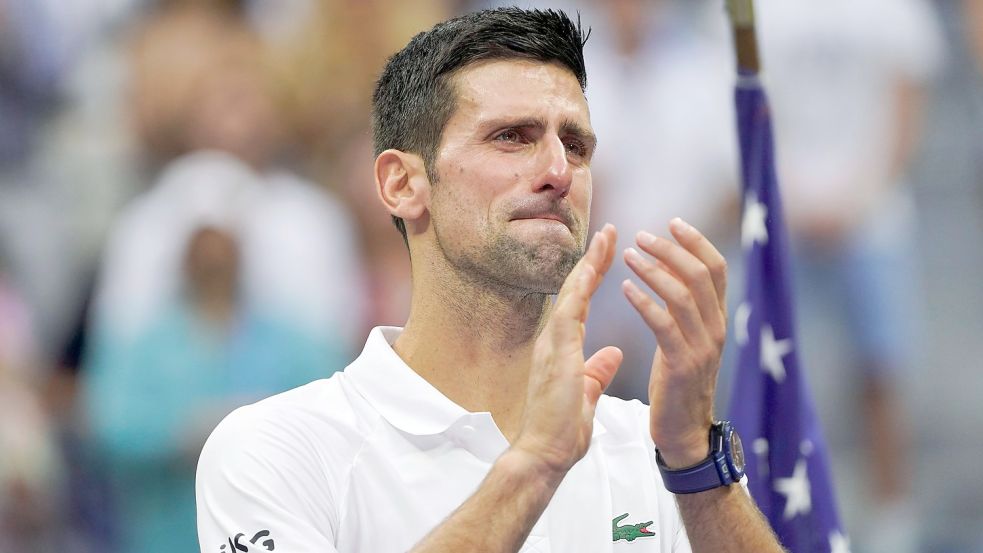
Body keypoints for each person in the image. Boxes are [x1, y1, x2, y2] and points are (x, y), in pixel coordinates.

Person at [196, 8, 784, 552]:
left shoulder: (654, 450)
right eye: (512, 137)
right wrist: (534, 463)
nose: (559, 171)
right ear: (402, 184)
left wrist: (692, 462)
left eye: (575, 145)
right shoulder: (275, 449)